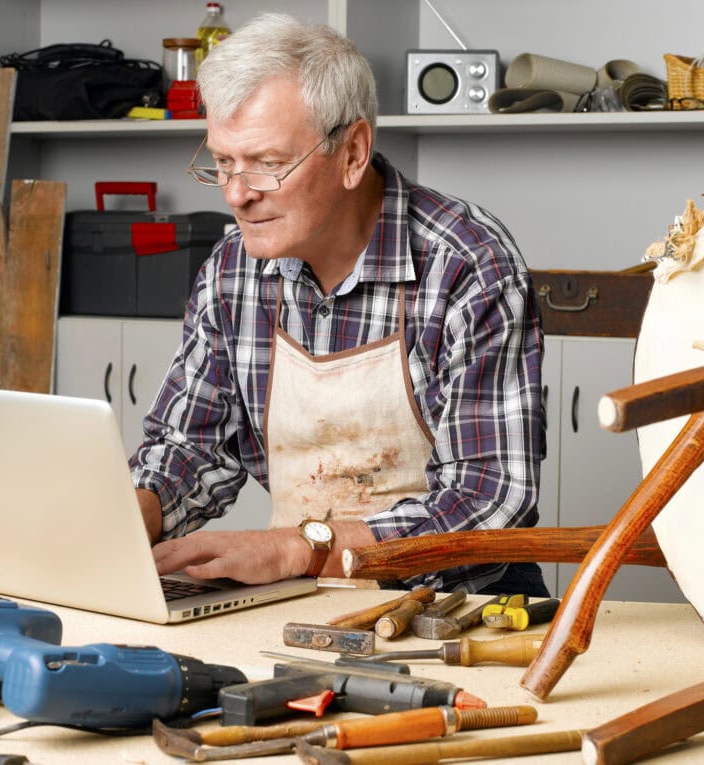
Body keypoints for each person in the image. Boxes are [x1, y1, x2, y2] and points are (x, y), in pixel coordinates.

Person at [131, 12, 548, 596]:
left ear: (353, 152)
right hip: (297, 592)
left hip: (456, 604)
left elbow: (487, 501)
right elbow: (190, 446)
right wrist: (130, 517)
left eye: (268, 164)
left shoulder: (466, 263)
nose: (237, 194)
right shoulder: (232, 271)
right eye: (223, 162)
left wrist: (298, 547)